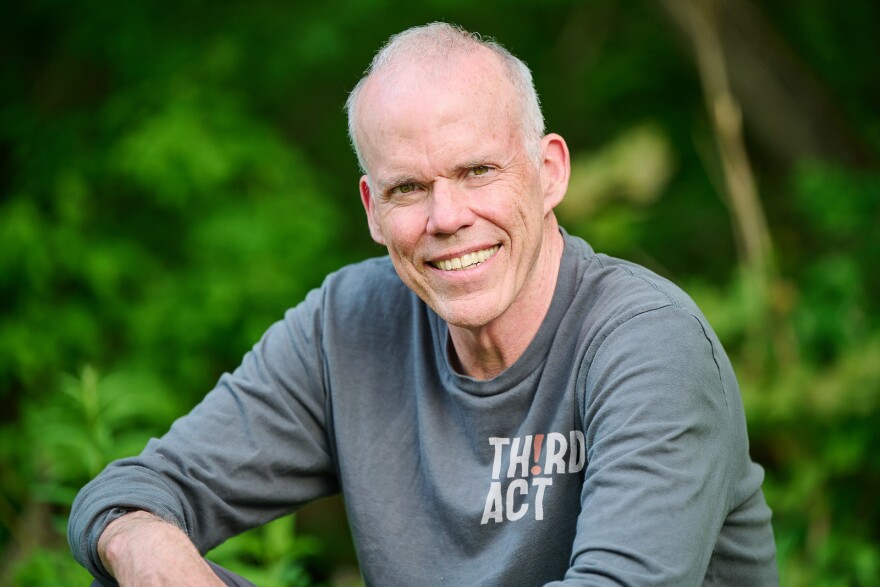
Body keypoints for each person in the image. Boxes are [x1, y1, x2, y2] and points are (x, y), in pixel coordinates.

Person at [69, 22, 778, 586]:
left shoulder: (648, 343)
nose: (447, 216)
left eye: (477, 171)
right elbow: (132, 491)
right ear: (373, 210)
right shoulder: (349, 323)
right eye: (409, 187)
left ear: (550, 171)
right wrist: (145, 545)